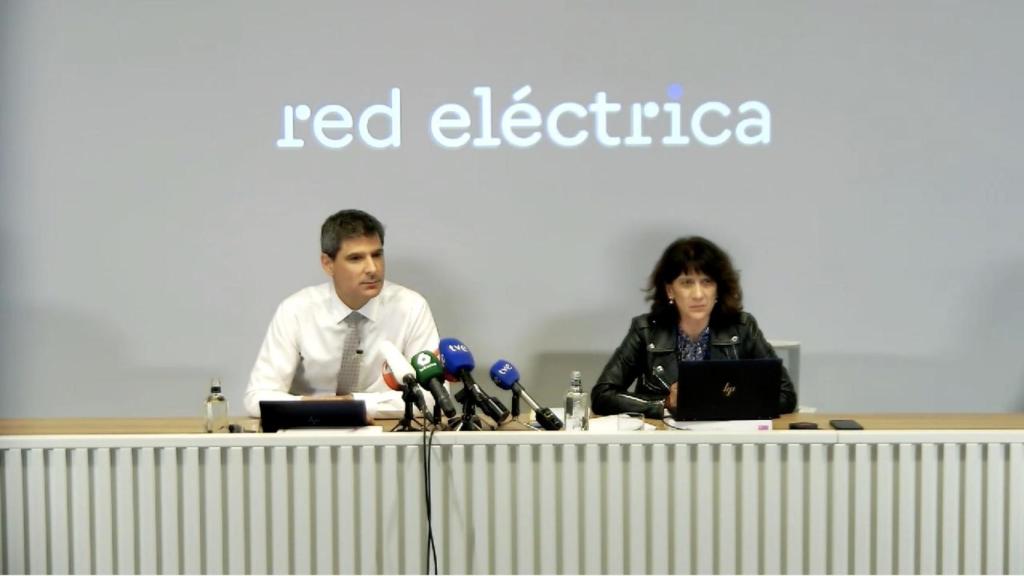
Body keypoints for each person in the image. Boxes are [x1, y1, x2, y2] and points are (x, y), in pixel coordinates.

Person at [244, 209, 440, 418]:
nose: (372, 268)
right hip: (310, 430)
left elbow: (432, 396)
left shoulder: (411, 307)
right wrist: (321, 407)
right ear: (328, 264)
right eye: (356, 258)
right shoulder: (296, 311)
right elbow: (257, 398)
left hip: (385, 434)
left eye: (377, 255)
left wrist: (352, 403)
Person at [592, 236, 797, 419]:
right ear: (670, 290)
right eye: (687, 283)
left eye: (706, 282)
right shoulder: (646, 330)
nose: (698, 294)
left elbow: (786, 396)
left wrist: (722, 403)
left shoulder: (742, 328)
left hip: (727, 442)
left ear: (718, 289)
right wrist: (664, 404)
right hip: (663, 444)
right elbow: (603, 395)